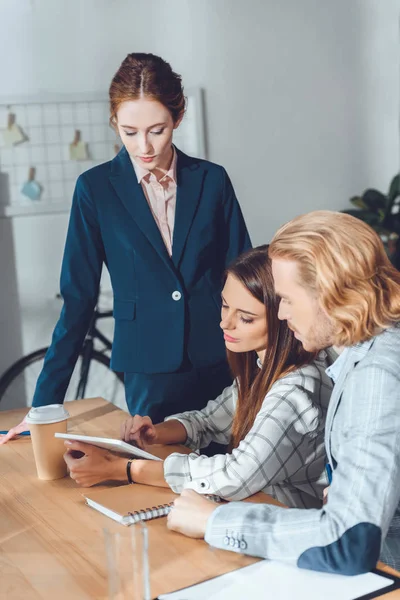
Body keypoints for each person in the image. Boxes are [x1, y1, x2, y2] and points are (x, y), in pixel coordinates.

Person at [0, 53, 251, 444]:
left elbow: (244, 277)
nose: (144, 146)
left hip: (221, 359)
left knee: (230, 477)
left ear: (178, 118)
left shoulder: (212, 181)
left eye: (157, 130)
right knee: (157, 478)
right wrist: (44, 408)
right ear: (115, 121)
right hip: (148, 368)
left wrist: (265, 365)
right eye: (129, 131)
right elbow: (78, 299)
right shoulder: (95, 189)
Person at [166, 211, 400, 574]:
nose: (282, 315)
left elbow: (349, 541)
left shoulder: (375, 377)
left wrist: (217, 522)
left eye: (286, 299)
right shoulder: (369, 352)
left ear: (330, 294)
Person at [63, 246, 332, 508]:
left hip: (282, 517)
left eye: (246, 318)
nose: (225, 323)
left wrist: (122, 469)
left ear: (284, 318)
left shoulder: (294, 389)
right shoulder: (263, 367)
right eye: (225, 306)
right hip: (254, 506)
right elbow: (208, 421)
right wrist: (155, 433)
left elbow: (235, 476)